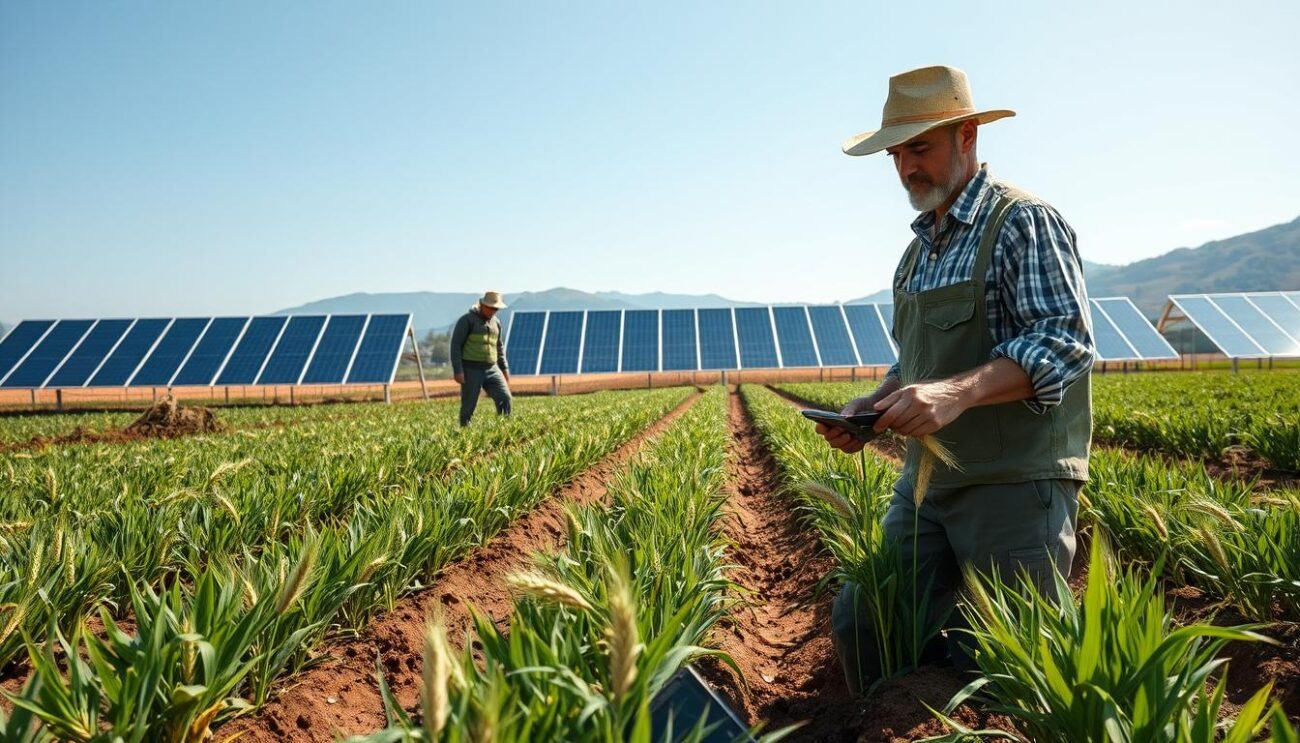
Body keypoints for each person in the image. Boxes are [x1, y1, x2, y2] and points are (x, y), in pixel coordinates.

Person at [822, 65, 1095, 692]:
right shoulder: (918, 252)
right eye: (897, 153)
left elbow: (1065, 341)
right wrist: (875, 404)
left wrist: (957, 392)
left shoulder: (1024, 222)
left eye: (920, 147)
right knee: (866, 622)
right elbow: (917, 364)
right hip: (927, 483)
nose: (906, 168)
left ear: (967, 136)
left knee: (1006, 665)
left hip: (1013, 486)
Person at [449, 291, 512, 426]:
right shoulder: (466, 320)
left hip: (492, 368)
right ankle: (465, 432)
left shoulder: (496, 323)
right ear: (482, 305)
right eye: (490, 307)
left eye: (496, 308)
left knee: (504, 397)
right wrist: (458, 370)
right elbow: (456, 346)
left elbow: (499, 347)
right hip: (471, 368)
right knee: (469, 404)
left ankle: (504, 428)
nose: (493, 311)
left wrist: (504, 368)